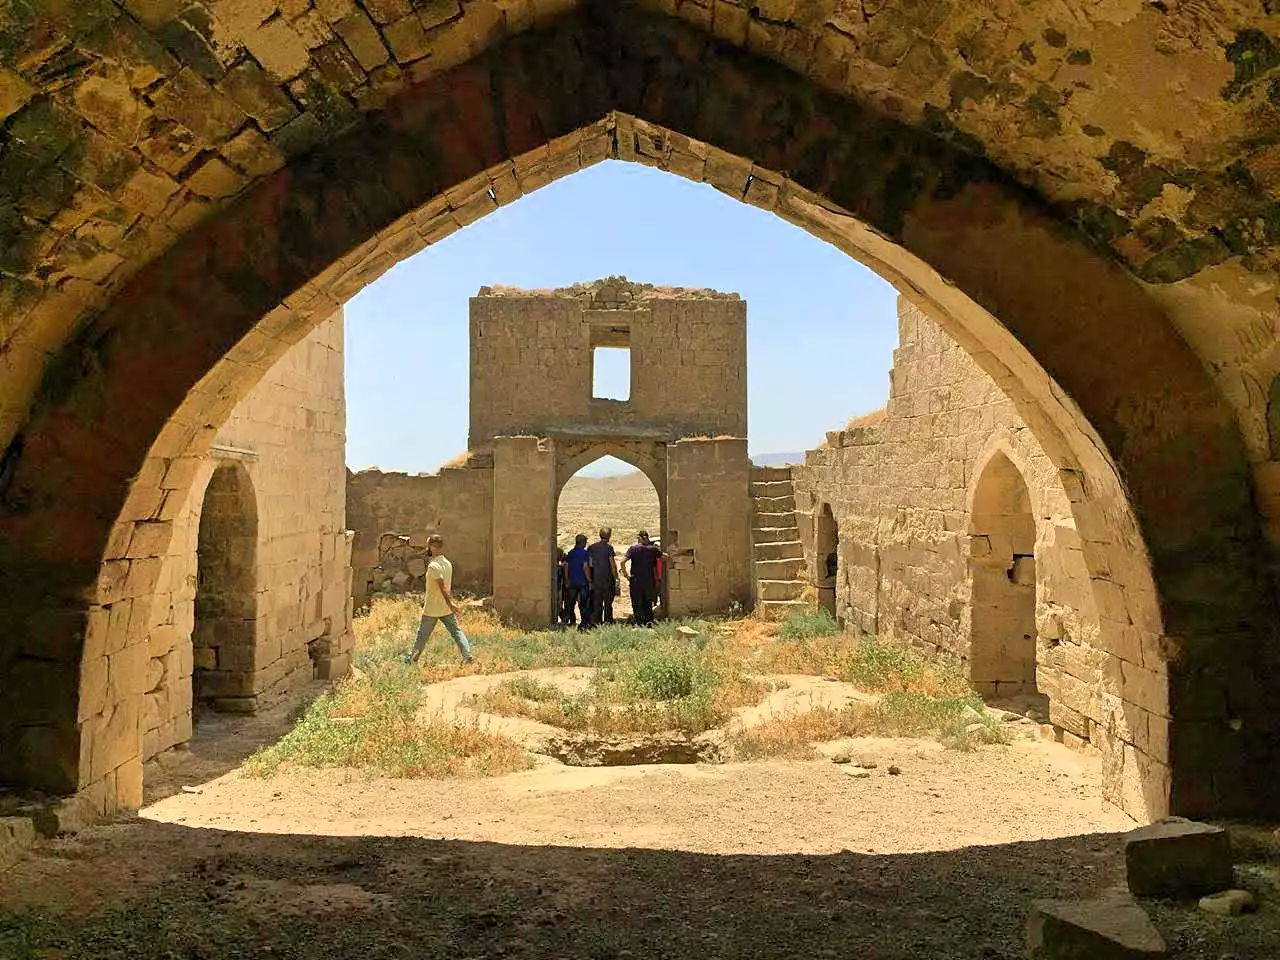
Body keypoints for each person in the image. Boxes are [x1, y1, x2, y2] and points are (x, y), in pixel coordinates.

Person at [403, 533, 473, 664]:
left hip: (432, 608)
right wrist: (449, 605)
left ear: (432, 547)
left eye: (428, 545)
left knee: (422, 635)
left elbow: (443, 587)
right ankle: (468, 656)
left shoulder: (433, 566)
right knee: (457, 632)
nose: (426, 548)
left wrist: (451, 603)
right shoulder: (447, 563)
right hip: (445, 608)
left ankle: (413, 659)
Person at [622, 530, 663, 627]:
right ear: (647, 538)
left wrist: (626, 575)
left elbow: (622, 562)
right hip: (649, 581)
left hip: (635, 580)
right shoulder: (653, 550)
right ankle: (648, 622)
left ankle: (638, 623)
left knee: (636, 602)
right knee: (648, 602)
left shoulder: (633, 549)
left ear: (639, 538)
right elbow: (664, 557)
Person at [586, 527, 618, 627]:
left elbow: (590, 564)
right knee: (608, 603)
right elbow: (612, 564)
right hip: (607, 579)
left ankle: (597, 622)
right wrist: (615, 577)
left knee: (597, 602)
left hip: (596, 579)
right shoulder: (609, 548)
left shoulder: (591, 547)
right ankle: (608, 622)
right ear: (609, 536)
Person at [563, 533, 591, 629]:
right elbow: (585, 567)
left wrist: (567, 579)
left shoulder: (570, 553)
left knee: (571, 603)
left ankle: (572, 621)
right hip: (583, 583)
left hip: (572, 582)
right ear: (582, 542)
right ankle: (584, 623)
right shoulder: (585, 553)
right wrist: (590, 580)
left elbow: (566, 567)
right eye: (585, 541)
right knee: (583, 604)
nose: (586, 543)